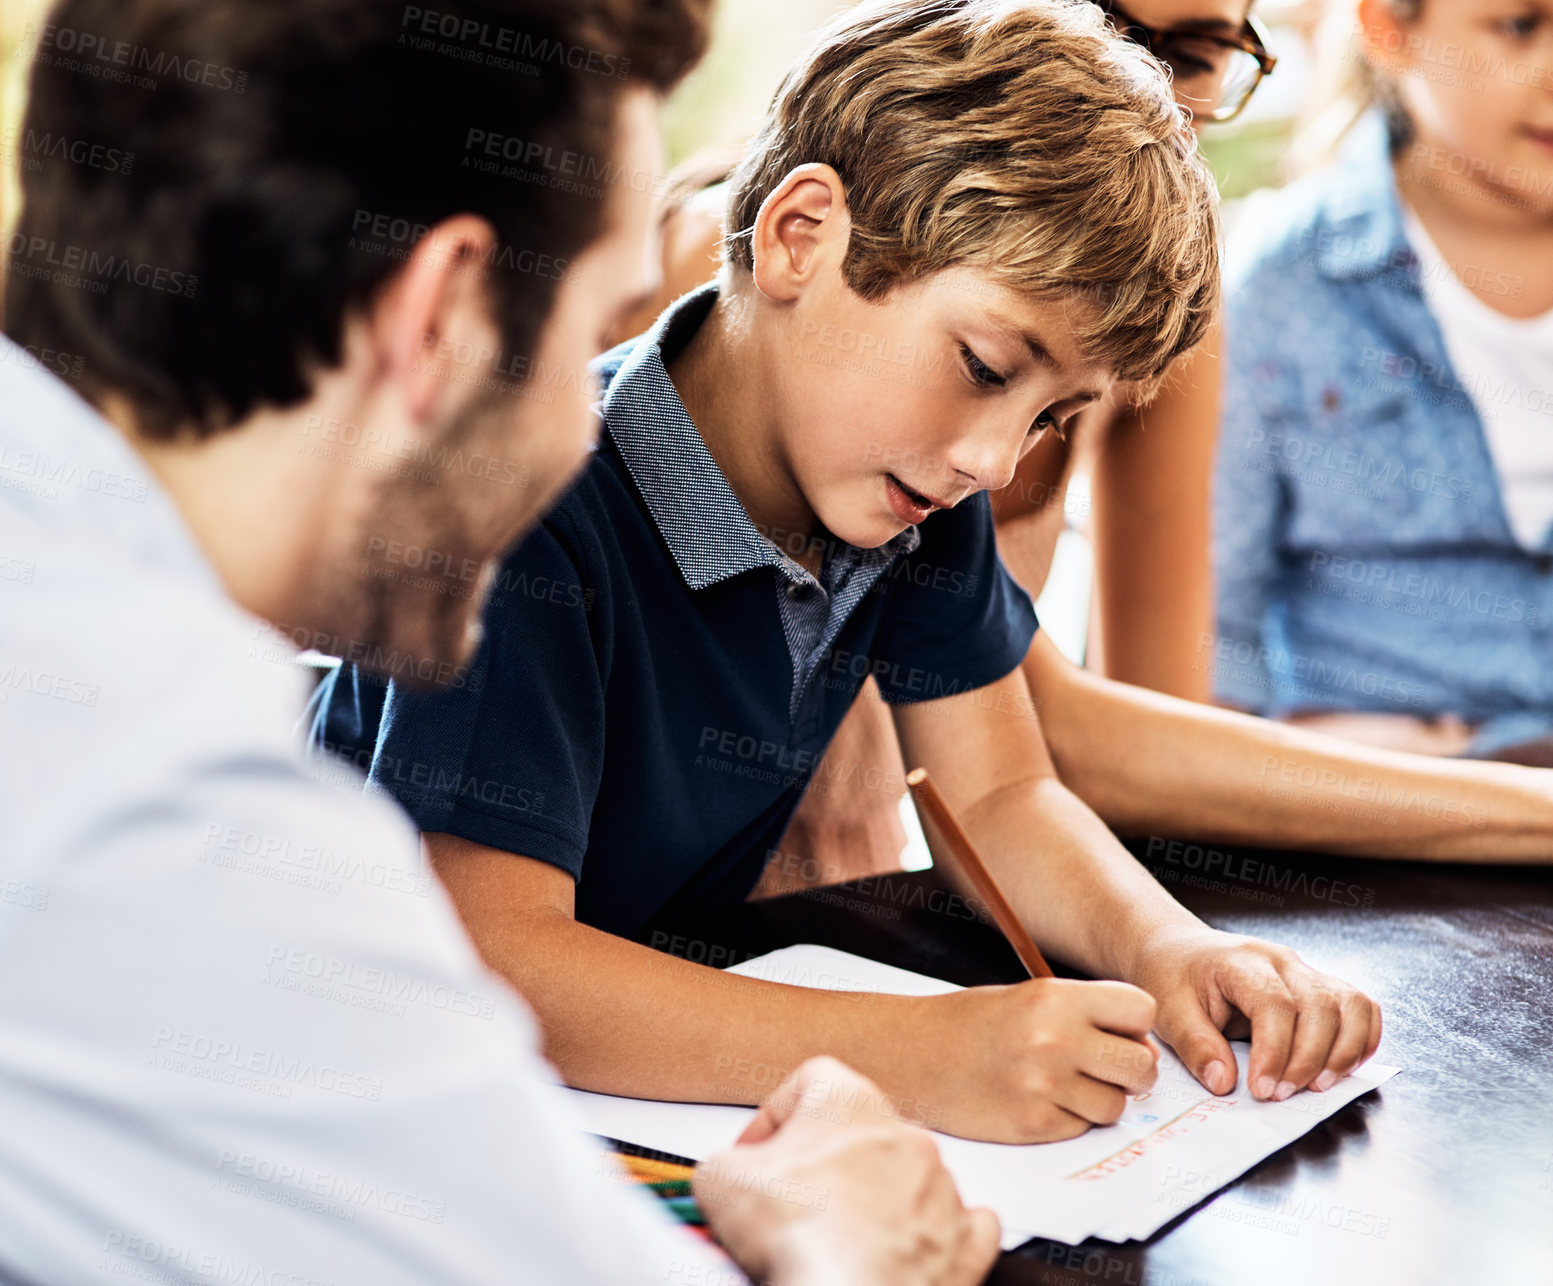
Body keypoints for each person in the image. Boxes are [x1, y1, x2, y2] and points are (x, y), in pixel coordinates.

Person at [0, 1, 1000, 1282]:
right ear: (440, 319)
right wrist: (854, 1254)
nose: (579, 431)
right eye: (589, 332)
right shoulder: (168, 825)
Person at [320, 0, 1398, 1148]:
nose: (993, 460)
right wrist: (914, 1053)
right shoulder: (534, 505)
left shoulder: (911, 494)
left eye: (1050, 418)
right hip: (354, 1092)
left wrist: (1171, 945)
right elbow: (500, 960)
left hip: (625, 1098)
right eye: (984, 365)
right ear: (799, 236)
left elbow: (998, 796)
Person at [1213, 0, 1553, 761]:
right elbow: (1209, 647)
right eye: (1519, 26)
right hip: (1391, 810)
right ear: (1388, 29)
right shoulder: (1279, 286)